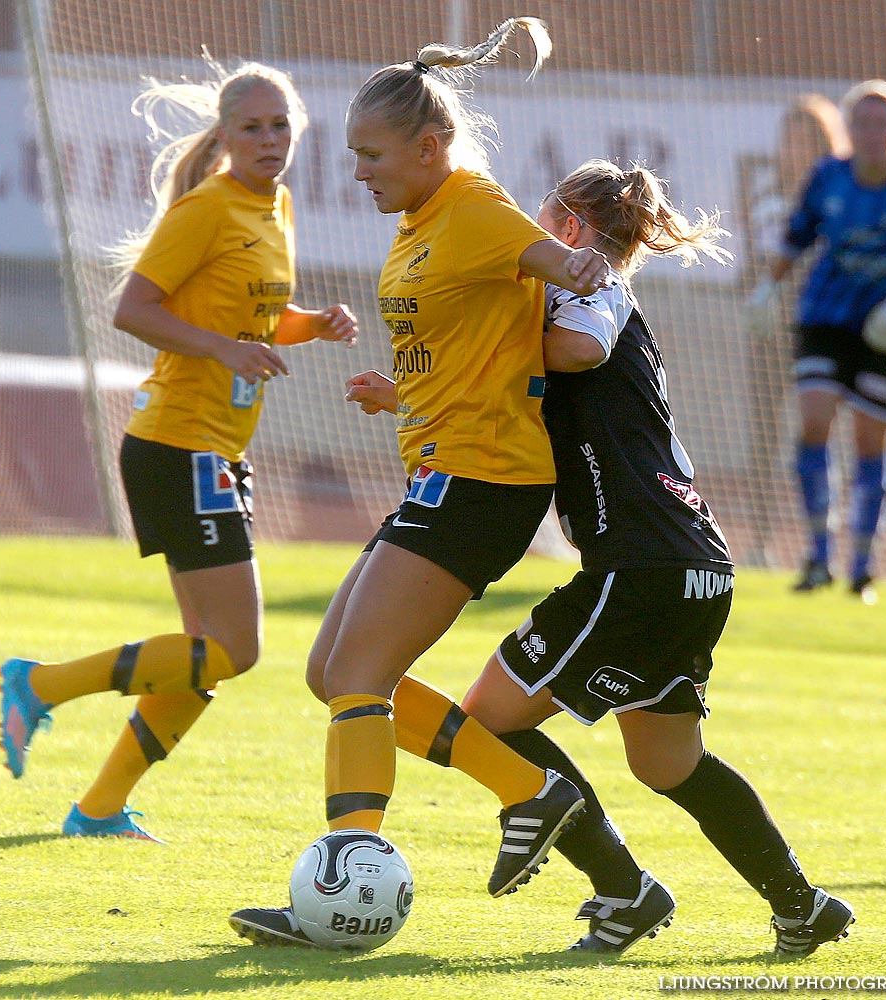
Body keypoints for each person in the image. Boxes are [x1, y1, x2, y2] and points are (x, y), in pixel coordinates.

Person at [336, 158, 854, 960]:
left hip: (639, 565)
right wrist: (409, 391)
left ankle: (624, 890)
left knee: (491, 723)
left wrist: (506, 330)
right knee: (668, 763)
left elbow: (575, 351)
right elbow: (506, 392)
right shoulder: (571, 297)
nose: (526, 247)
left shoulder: (594, 287)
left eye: (539, 225)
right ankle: (802, 906)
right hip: (692, 567)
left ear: (572, 230)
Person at [228, 17, 615, 946]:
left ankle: (338, 880)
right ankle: (534, 789)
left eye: (371, 154)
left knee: (360, 673)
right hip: (442, 472)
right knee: (333, 674)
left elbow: (568, 272)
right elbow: (473, 341)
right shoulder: (415, 226)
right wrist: (399, 388)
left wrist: (586, 268)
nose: (358, 171)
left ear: (430, 146)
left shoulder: (475, 206)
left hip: (486, 480)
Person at [0, 54, 358, 841]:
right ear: (225, 136)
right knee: (234, 650)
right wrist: (223, 352)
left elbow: (252, 317)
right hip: (178, 444)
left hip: (216, 450)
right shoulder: (206, 207)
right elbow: (133, 309)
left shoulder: (279, 206)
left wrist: (310, 324)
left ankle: (97, 810)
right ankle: (41, 685)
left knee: (203, 657)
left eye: (280, 124)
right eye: (252, 127)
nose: (269, 139)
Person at [750, 79, 886, 600]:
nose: (870, 132)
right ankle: (818, 554)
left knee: (869, 439)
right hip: (825, 318)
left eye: (881, 122)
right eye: (860, 121)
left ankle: (862, 563)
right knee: (814, 421)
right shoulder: (826, 179)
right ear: (847, 129)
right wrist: (768, 287)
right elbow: (796, 237)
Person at [741, 94, 848, 565]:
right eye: (789, 138)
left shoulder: (840, 193)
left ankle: (820, 539)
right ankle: (761, 541)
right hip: (770, 335)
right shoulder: (765, 194)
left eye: (805, 139)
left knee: (817, 432)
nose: (794, 148)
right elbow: (756, 257)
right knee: (763, 438)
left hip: (821, 331)